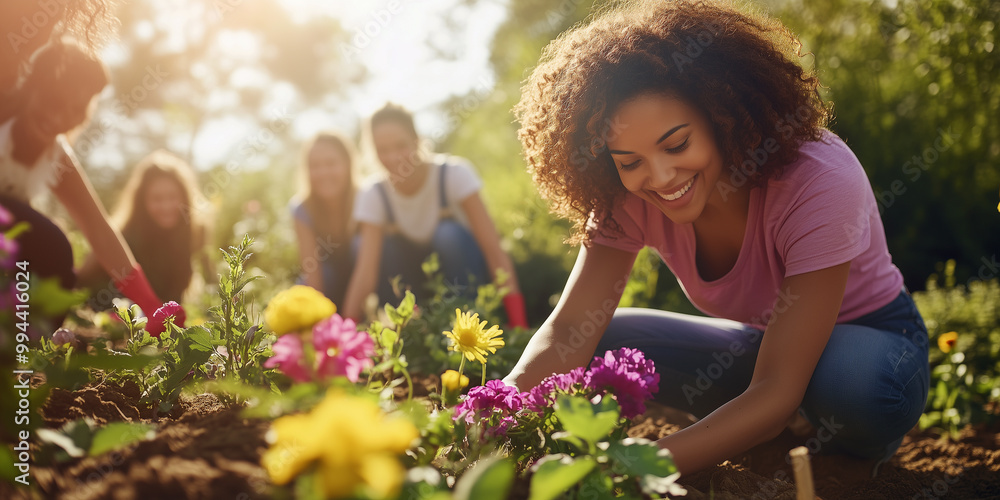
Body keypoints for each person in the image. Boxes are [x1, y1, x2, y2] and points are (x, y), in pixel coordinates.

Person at [504, 0, 928, 476]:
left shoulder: (818, 178)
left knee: (857, 384)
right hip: (769, 355)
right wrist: (491, 423)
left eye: (677, 144)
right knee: (604, 341)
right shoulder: (627, 197)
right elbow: (567, 331)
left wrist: (632, 467)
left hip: (872, 347)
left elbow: (777, 386)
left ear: (723, 113)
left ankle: (846, 450)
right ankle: (771, 425)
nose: (660, 177)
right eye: (629, 161)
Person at [0, 40, 169, 332]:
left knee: (55, 258)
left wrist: (152, 306)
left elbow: (99, 229)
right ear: (31, 84)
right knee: (44, 238)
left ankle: (21, 350)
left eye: (74, 109)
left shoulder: (56, 155)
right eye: (53, 100)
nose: (57, 117)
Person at [342, 103, 528, 328]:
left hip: (464, 275)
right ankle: (409, 330)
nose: (393, 157)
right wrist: (345, 332)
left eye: (401, 145)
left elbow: (494, 252)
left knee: (447, 235)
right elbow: (365, 274)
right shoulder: (373, 193)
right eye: (382, 149)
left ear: (417, 140)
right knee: (368, 245)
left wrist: (519, 325)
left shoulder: (454, 174)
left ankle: (467, 322)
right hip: (415, 287)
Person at [78, 150, 212, 308]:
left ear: (185, 196)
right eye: (157, 199)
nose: (166, 206)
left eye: (172, 197)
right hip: (115, 317)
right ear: (142, 202)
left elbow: (207, 280)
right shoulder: (123, 236)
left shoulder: (194, 233)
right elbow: (84, 284)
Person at [290, 132, 357, 305]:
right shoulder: (302, 210)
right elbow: (313, 280)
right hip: (327, 291)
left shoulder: (365, 199)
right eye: (315, 166)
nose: (323, 172)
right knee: (303, 286)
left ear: (348, 164)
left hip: (364, 285)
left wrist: (352, 320)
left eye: (331, 163)